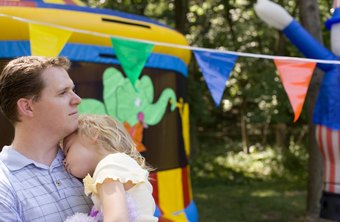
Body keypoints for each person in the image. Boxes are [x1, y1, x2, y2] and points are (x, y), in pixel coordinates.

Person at [254, 0, 340, 220]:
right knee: (333, 169)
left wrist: (285, 22)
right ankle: (332, 207)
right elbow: (303, 40)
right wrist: (286, 23)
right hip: (329, 124)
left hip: (328, 123)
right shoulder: (331, 63)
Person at [0, 56, 92, 221]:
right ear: (27, 107)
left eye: (73, 90)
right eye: (63, 92)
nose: (77, 100)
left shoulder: (88, 159)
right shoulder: (4, 183)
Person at [62, 114, 157, 222]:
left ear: (93, 133)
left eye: (68, 149)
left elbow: (117, 218)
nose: (64, 161)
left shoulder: (108, 167)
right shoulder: (122, 164)